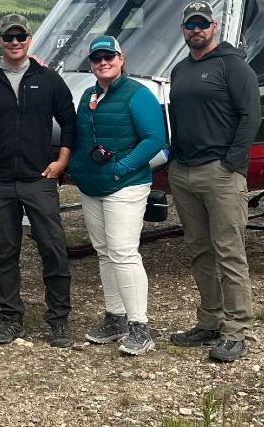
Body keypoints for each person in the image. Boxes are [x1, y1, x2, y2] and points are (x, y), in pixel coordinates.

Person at [0, 14, 77, 348]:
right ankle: (11, 318)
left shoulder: (48, 79)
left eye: (21, 37)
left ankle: (58, 320)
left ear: (30, 40)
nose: (15, 42)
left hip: (39, 178)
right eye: (8, 37)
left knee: (54, 248)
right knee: (3, 250)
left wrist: (63, 159)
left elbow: (69, 119)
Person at [168, 1, 261, 363]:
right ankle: (209, 321)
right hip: (184, 172)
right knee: (199, 250)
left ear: (215, 26)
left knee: (229, 252)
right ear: (183, 28)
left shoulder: (233, 66)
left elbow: (250, 117)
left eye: (202, 23)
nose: (197, 29)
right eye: (191, 24)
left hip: (219, 173)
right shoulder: (180, 70)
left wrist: (232, 164)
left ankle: (236, 331)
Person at [68, 35, 166, 355]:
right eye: (97, 58)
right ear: (91, 64)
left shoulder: (139, 95)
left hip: (125, 185)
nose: (103, 62)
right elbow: (81, 137)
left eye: (109, 56)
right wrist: (79, 171)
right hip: (93, 186)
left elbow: (155, 139)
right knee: (105, 252)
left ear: (121, 59)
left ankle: (140, 326)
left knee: (124, 252)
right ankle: (115, 317)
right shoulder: (87, 95)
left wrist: (121, 168)